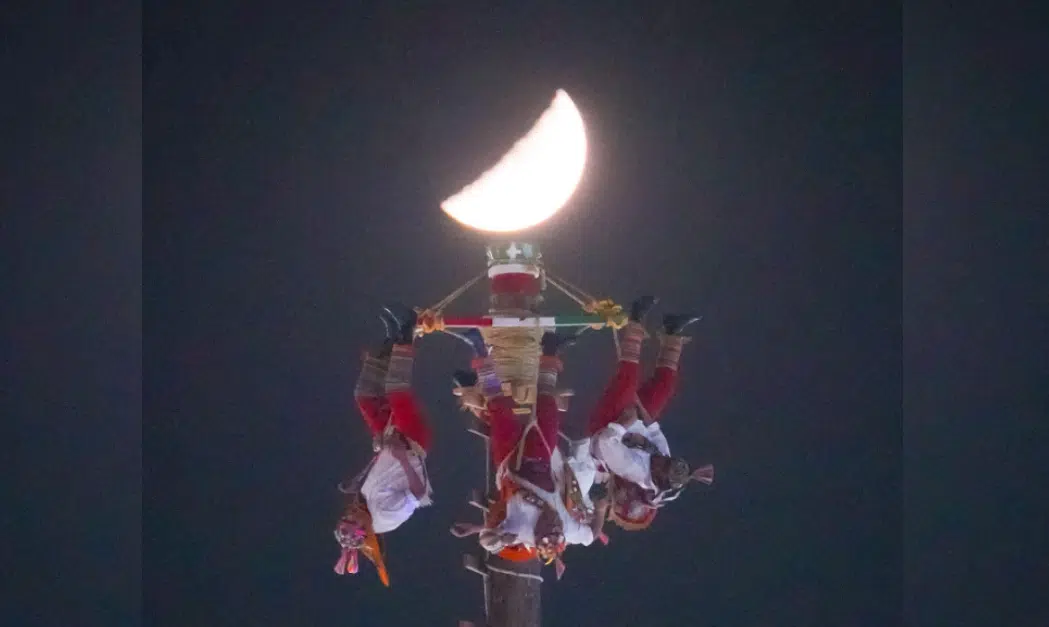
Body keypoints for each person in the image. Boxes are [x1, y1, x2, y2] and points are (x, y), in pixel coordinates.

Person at [449, 331, 609, 578]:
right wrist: (599, 511)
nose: (553, 524)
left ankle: (479, 350)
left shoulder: (521, 529)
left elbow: (489, 541)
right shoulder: (569, 529)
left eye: (547, 528)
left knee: (498, 406)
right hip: (542, 460)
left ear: (537, 535)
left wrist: (495, 537)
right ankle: (551, 350)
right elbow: (592, 535)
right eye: (557, 528)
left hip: (510, 462)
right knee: (547, 408)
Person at [586, 296, 714, 532]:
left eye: (662, 464)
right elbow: (652, 428)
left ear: (656, 475)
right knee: (664, 388)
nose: (662, 459)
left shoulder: (631, 470)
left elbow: (606, 440)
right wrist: (639, 410)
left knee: (628, 380)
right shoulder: (664, 458)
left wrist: (625, 421)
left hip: (606, 426)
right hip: (633, 421)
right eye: (667, 460)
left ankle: (636, 318)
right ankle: (672, 331)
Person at [332, 305, 432, 586]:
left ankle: (392, 338)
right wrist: (400, 457)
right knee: (396, 390)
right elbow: (418, 493)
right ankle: (406, 332)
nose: (350, 512)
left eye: (346, 516)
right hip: (411, 443)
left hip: (389, 440)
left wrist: (380, 448)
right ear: (367, 530)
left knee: (364, 396)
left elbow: (382, 475)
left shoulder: (363, 503)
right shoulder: (386, 517)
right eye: (354, 520)